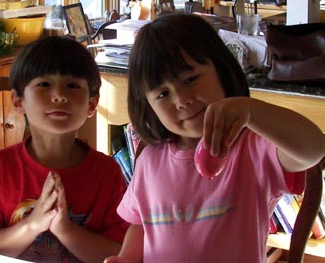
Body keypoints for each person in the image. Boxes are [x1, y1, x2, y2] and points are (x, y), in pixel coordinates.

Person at [104, 14, 325, 263]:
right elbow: (141, 225)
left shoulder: (253, 148)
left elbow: (313, 149)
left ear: (221, 70)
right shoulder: (149, 161)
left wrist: (250, 110)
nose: (181, 100)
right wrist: (125, 258)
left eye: (190, 79)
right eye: (163, 93)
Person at [0, 36, 129, 263]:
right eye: (44, 84)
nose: (59, 95)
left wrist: (64, 229)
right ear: (18, 101)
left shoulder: (107, 173)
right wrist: (33, 224)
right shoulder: (1, 167)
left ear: (92, 104)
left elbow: (117, 254)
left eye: (72, 85)